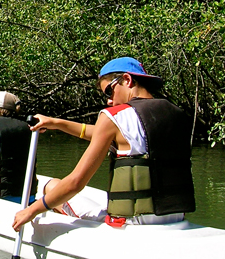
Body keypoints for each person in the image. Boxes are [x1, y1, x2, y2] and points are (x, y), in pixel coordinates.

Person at [12, 57, 195, 231]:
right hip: (175, 218)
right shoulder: (177, 115)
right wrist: (56, 123)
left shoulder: (115, 116)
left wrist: (31, 210)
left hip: (131, 224)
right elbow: (108, 135)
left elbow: (75, 183)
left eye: (109, 91)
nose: (108, 100)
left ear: (127, 80)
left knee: (51, 187)